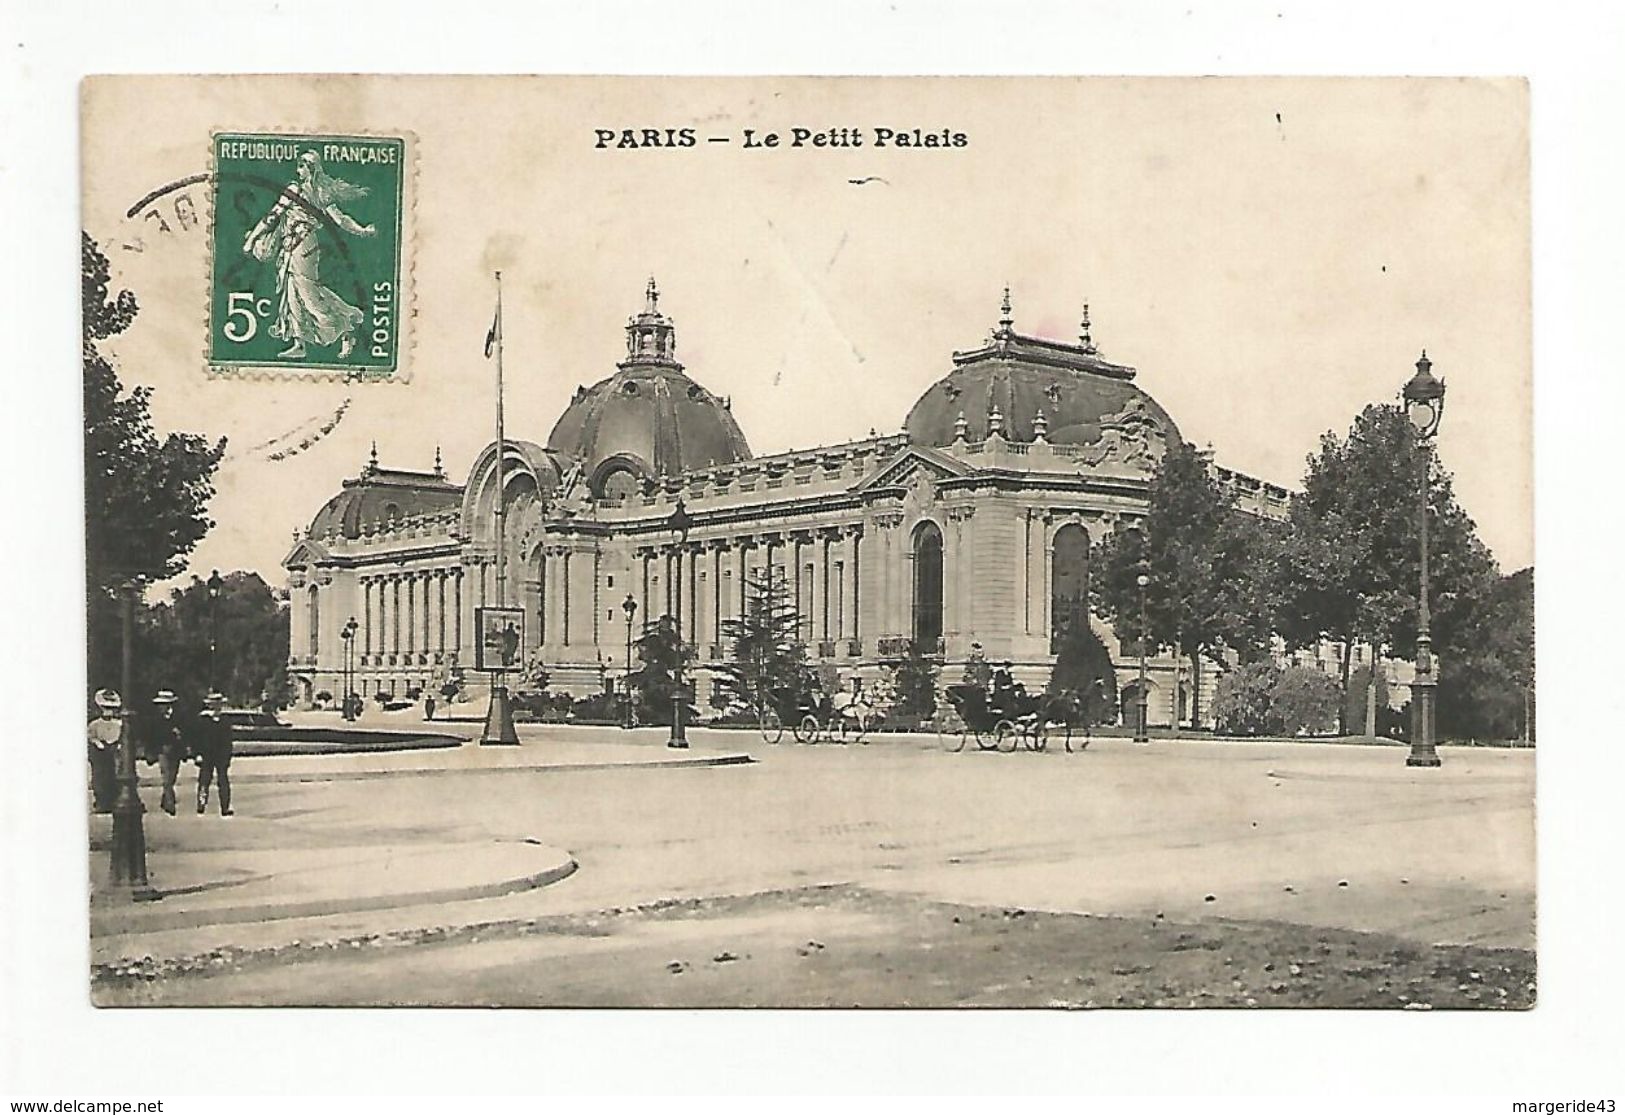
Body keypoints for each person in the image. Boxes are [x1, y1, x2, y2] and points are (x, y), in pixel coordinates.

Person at [242, 150, 377, 360]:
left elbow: (340, 219)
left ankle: (345, 327)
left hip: (305, 247)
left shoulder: (320, 193)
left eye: (303, 165)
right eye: (299, 165)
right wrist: (252, 239)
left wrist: (361, 230)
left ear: (311, 169)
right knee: (291, 292)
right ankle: (299, 343)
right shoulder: (295, 189)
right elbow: (273, 216)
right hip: (289, 246)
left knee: (307, 292)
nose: (299, 169)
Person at [192, 691, 235, 817]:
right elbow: (197, 739)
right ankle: (201, 805)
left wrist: (228, 756)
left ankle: (225, 807)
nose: (216, 706)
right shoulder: (203, 720)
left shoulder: (225, 720)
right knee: (204, 781)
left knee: (223, 781)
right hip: (206, 755)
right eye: (214, 704)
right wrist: (197, 754)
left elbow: (228, 740)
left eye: (218, 704)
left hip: (221, 756)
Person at [150, 689, 189, 816]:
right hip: (163, 750)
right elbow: (153, 735)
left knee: (172, 776)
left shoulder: (178, 716)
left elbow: (184, 733)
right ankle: (170, 803)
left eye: (165, 704)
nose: (162, 707)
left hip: (176, 750)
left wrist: (182, 742)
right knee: (166, 776)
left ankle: (165, 798)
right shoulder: (156, 718)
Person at [87, 689, 122, 814]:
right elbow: (91, 737)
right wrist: (99, 744)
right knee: (100, 777)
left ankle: (112, 801)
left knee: (114, 777)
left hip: (113, 751)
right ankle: (101, 802)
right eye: (105, 708)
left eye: (111, 708)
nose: (108, 711)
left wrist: (117, 745)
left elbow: (121, 737)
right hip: (100, 753)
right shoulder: (94, 724)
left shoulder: (118, 724)